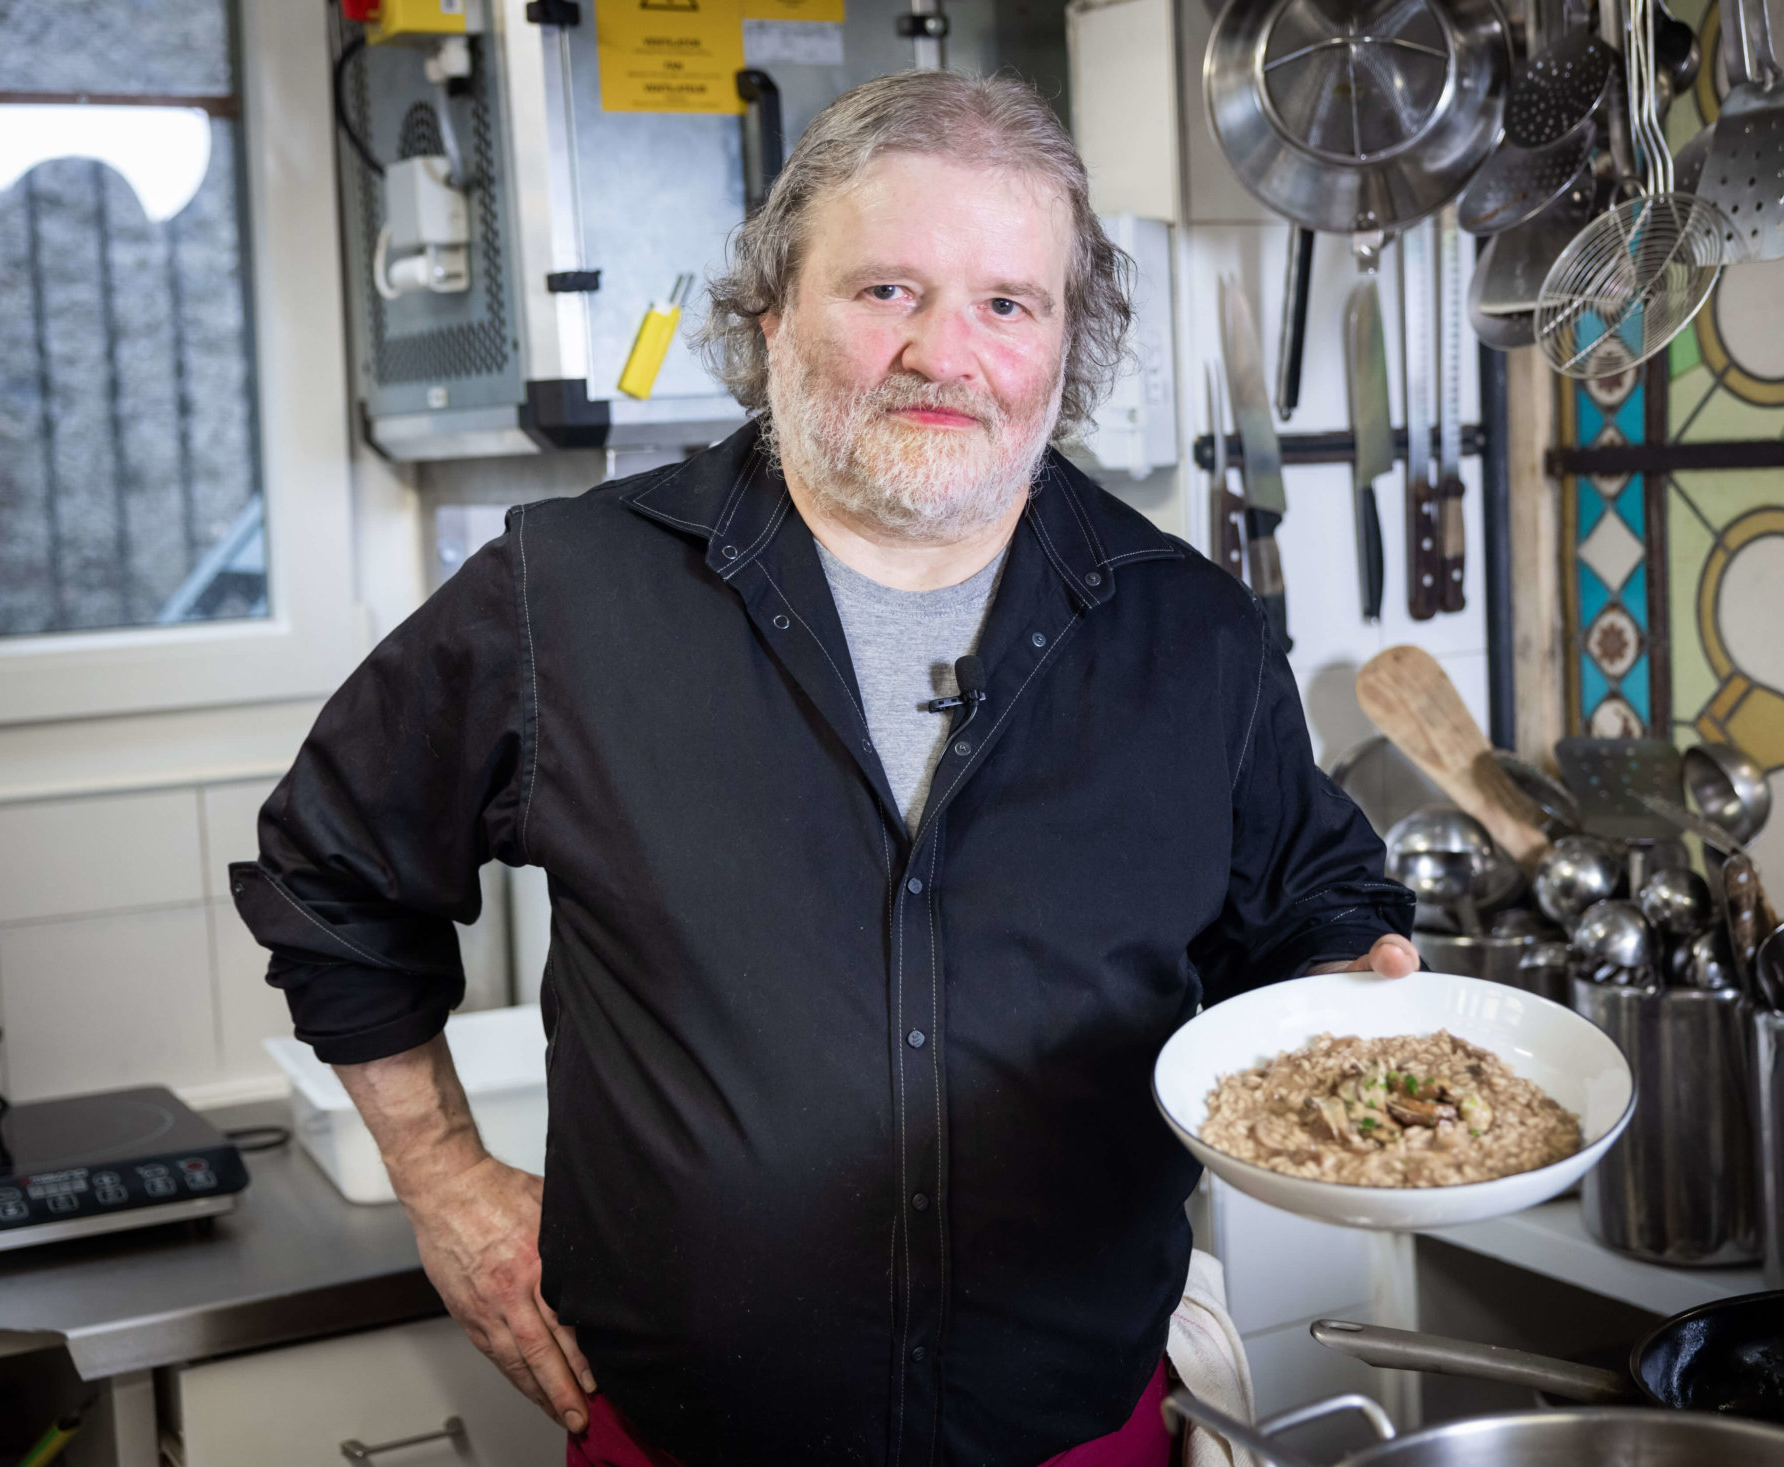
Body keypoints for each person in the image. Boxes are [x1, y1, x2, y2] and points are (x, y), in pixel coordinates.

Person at [233, 69, 1417, 1467]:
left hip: (1076, 1434)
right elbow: (333, 874)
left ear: (1068, 345)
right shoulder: (568, 598)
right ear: (771, 312)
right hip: (678, 1439)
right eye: (885, 292)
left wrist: (1359, 1009)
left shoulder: (1195, 634)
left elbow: (1316, 908)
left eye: (1005, 303)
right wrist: (443, 1186)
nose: (943, 353)